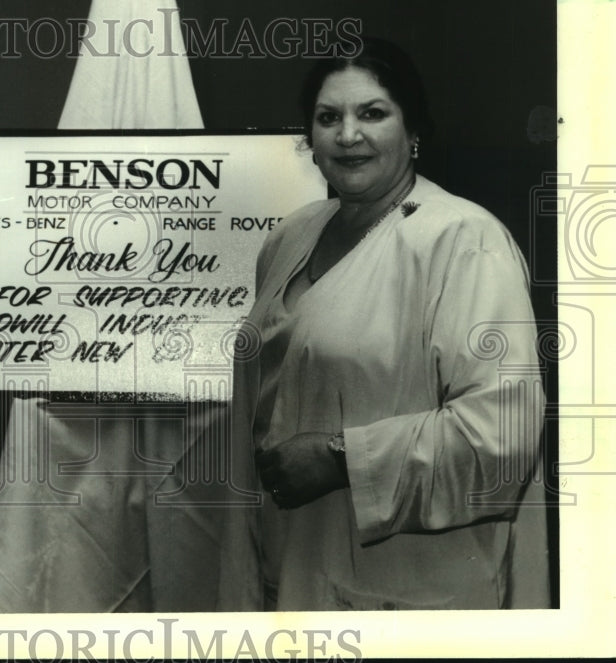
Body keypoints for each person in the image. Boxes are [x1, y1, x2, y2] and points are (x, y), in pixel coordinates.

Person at [216, 38, 550, 610]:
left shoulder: (463, 239)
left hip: (410, 581)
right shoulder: (289, 238)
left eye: (372, 113)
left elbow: (505, 431)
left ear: (413, 129)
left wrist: (338, 456)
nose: (348, 135)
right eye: (328, 118)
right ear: (309, 140)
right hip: (295, 562)